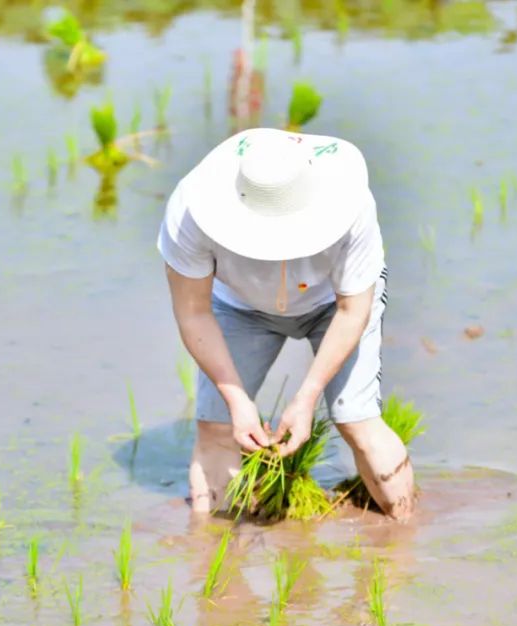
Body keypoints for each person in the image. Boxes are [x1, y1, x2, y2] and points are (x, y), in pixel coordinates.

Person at [157, 127, 415, 521]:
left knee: (357, 421)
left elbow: (352, 309)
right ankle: (208, 559)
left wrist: (307, 396)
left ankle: (405, 541)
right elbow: (194, 311)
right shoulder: (188, 212)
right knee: (216, 427)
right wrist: (237, 401)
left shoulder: (352, 206)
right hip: (237, 307)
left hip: (333, 304)